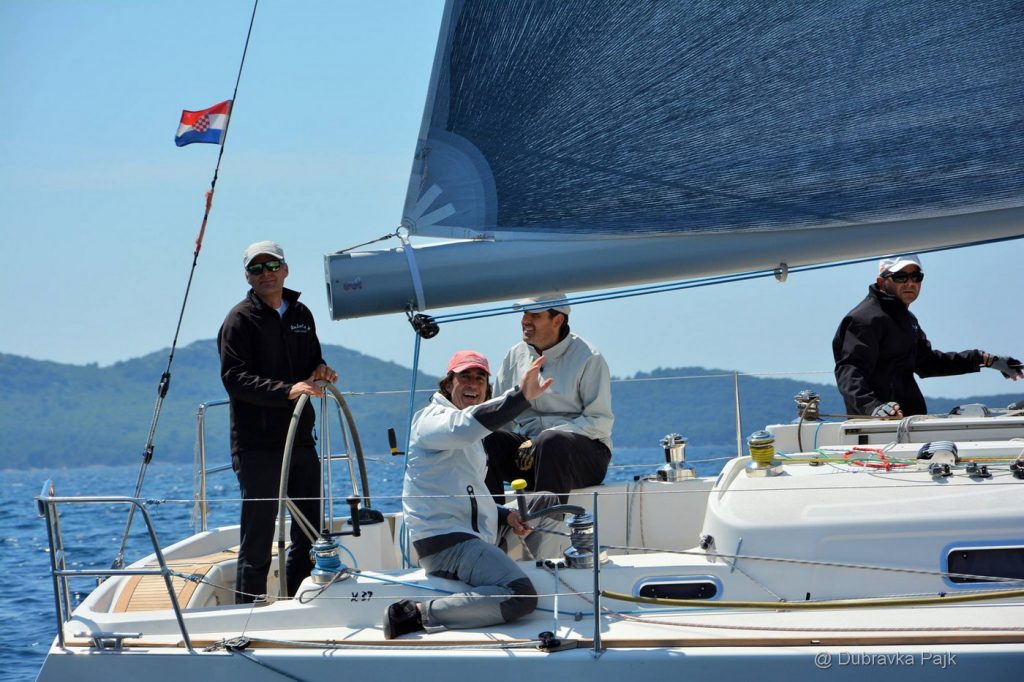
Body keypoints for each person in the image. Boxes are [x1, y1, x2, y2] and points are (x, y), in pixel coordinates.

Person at [384, 350, 559, 639]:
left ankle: (540, 573)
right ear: (448, 383)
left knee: (546, 502)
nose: (473, 384)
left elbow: (470, 494)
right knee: (522, 595)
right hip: (449, 544)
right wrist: (521, 397)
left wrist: (505, 515)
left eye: (480, 378)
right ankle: (417, 613)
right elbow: (464, 426)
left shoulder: (472, 435)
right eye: (464, 376)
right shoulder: (432, 421)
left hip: (475, 535)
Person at [218, 240, 339, 603]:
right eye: (256, 268)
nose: (266, 274)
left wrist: (321, 370)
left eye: (272, 266)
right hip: (257, 444)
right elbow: (234, 379)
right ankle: (246, 613)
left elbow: (312, 359)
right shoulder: (239, 320)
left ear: (285, 270)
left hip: (299, 437)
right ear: (247, 276)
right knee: (257, 538)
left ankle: (299, 603)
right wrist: (286, 390)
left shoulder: (301, 314)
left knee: (310, 532)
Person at [833, 254, 1021, 417]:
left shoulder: (907, 319)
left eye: (916, 277)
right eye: (900, 277)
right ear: (882, 281)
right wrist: (872, 408)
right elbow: (850, 372)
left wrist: (983, 359)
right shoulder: (864, 319)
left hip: (909, 423)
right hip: (877, 428)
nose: (910, 283)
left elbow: (927, 363)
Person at [485, 293, 613, 502]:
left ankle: (549, 521)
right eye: (525, 313)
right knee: (487, 438)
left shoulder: (589, 357)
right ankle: (494, 518)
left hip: (583, 456)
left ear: (557, 320)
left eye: (535, 315)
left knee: (551, 441)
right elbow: (501, 415)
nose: (525, 320)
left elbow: (600, 421)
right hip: (528, 453)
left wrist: (545, 438)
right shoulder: (514, 356)